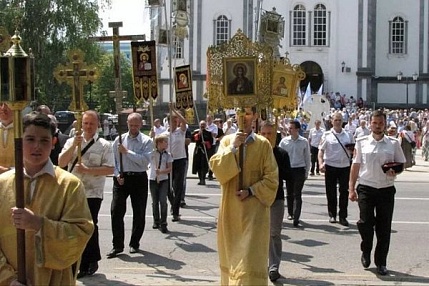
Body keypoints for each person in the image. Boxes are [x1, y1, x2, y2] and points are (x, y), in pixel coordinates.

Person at [0, 112, 93, 285]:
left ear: (53, 143)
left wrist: (38, 224)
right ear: (19, 141)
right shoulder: (3, 184)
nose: (37, 146)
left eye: (44, 140)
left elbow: (81, 233)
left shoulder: (69, 185)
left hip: (53, 279)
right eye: (30, 139)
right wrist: (8, 279)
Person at [209, 107, 278, 285]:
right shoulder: (226, 141)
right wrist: (233, 148)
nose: (243, 118)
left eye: (247, 113)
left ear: (255, 116)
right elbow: (217, 170)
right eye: (240, 114)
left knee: (249, 262)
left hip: (255, 213)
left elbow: (272, 179)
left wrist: (251, 190)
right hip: (231, 212)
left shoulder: (263, 144)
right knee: (233, 260)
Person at [349, 110, 406, 276]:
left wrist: (395, 171)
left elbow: (401, 163)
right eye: (375, 123)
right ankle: (366, 249)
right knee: (365, 223)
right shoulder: (361, 142)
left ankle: (381, 262)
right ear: (370, 123)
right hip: (366, 187)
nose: (378, 126)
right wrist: (351, 188)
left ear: (385, 124)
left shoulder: (394, 143)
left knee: (384, 228)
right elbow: (356, 166)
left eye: (381, 123)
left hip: (386, 189)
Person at [58, 110, 114, 278]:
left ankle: (90, 261)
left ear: (98, 125)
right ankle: (73, 260)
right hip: (72, 191)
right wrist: (75, 145)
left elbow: (110, 169)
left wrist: (88, 170)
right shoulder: (72, 141)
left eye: (92, 123)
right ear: (81, 124)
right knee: (71, 226)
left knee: (89, 226)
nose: (88, 127)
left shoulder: (104, 145)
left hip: (92, 192)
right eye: (86, 123)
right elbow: (61, 162)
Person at [107, 112, 153, 258]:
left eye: (136, 125)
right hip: (122, 178)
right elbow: (113, 160)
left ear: (141, 124)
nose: (133, 128)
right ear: (127, 124)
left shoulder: (146, 141)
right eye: (131, 125)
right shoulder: (119, 140)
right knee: (116, 211)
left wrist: (127, 152)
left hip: (139, 178)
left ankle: (134, 243)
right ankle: (117, 245)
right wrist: (116, 174)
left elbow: (145, 162)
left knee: (139, 212)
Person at [260, 121, 291, 282]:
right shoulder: (255, 153)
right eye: (263, 134)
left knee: (274, 233)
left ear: (275, 135)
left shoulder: (282, 154)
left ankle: (273, 266)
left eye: (269, 134)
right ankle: (258, 264)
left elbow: (287, 176)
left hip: (276, 198)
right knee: (257, 233)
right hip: (257, 198)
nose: (266, 137)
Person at [318, 112, 354, 226]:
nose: (338, 122)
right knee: (331, 192)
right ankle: (332, 214)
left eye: (340, 120)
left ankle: (343, 216)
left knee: (344, 192)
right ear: (331, 121)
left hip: (344, 167)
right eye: (336, 120)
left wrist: (352, 151)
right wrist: (320, 164)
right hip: (330, 166)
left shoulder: (348, 135)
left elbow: (354, 150)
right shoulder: (326, 135)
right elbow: (321, 151)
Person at [279, 120, 310, 227]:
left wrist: (307, 172)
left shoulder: (304, 141)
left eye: (292, 128)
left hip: (299, 169)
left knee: (297, 193)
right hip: (289, 169)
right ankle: (290, 213)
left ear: (297, 129)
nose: (290, 130)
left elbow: (307, 158)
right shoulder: (284, 142)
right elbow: (280, 156)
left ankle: (296, 217)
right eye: (289, 128)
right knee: (289, 193)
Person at [162, 104, 187, 222]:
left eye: (176, 121)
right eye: (173, 121)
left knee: (178, 187)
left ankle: (176, 212)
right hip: (168, 161)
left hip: (180, 160)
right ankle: (173, 204)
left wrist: (174, 111)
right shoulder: (164, 134)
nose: (176, 123)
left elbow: (184, 121)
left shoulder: (180, 132)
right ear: (168, 122)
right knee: (167, 188)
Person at [149, 134, 173, 234]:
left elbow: (170, 169)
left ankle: (164, 223)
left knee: (163, 201)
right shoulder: (152, 153)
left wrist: (161, 172)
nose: (167, 144)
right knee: (155, 201)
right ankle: (156, 220)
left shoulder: (168, 155)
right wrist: (152, 136)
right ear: (159, 143)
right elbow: (149, 143)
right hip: (153, 179)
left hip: (163, 180)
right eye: (165, 142)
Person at [191, 120, 213, 185]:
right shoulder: (196, 132)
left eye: (204, 124)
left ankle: (203, 178)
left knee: (204, 165)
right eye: (201, 125)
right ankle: (200, 179)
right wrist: (198, 135)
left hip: (205, 151)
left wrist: (206, 143)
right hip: (198, 151)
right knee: (198, 165)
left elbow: (211, 143)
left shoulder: (208, 133)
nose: (202, 126)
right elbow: (193, 139)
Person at [0, 102, 15, 173]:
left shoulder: (24, 131)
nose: (3, 108)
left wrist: (8, 171)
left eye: (7, 104)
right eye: (0, 104)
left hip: (16, 180)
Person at [205, 114, 218, 180]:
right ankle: (204, 173)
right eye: (208, 118)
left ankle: (210, 174)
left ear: (212, 119)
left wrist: (208, 132)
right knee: (204, 159)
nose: (208, 120)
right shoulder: (205, 125)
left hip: (212, 145)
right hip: (205, 144)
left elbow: (215, 135)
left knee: (211, 159)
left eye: (210, 118)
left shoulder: (214, 126)